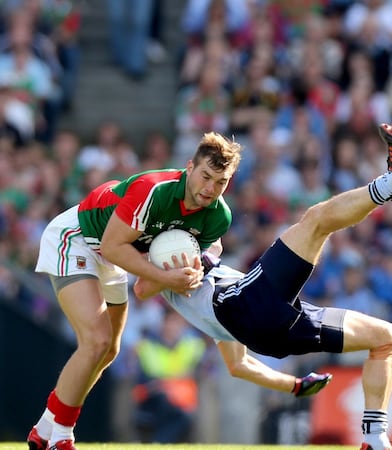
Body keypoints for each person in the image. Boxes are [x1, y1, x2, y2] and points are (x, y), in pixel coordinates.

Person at [133, 123, 392, 450]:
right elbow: (142, 288)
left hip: (269, 333)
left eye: (219, 182)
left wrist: (295, 386)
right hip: (249, 304)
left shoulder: (208, 303)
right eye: (206, 178)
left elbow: (239, 365)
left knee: (386, 338)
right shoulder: (169, 265)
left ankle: (375, 440)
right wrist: (179, 270)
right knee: (316, 220)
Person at [28, 132, 243, 450]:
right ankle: (62, 436)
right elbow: (114, 247)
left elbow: (145, 287)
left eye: (221, 182)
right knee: (96, 340)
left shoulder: (218, 216)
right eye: (206, 176)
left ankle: (46, 425)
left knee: (109, 350)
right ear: (189, 168)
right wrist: (167, 278)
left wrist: (199, 267)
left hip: (114, 256)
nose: (210, 188)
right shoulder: (154, 190)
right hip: (76, 237)